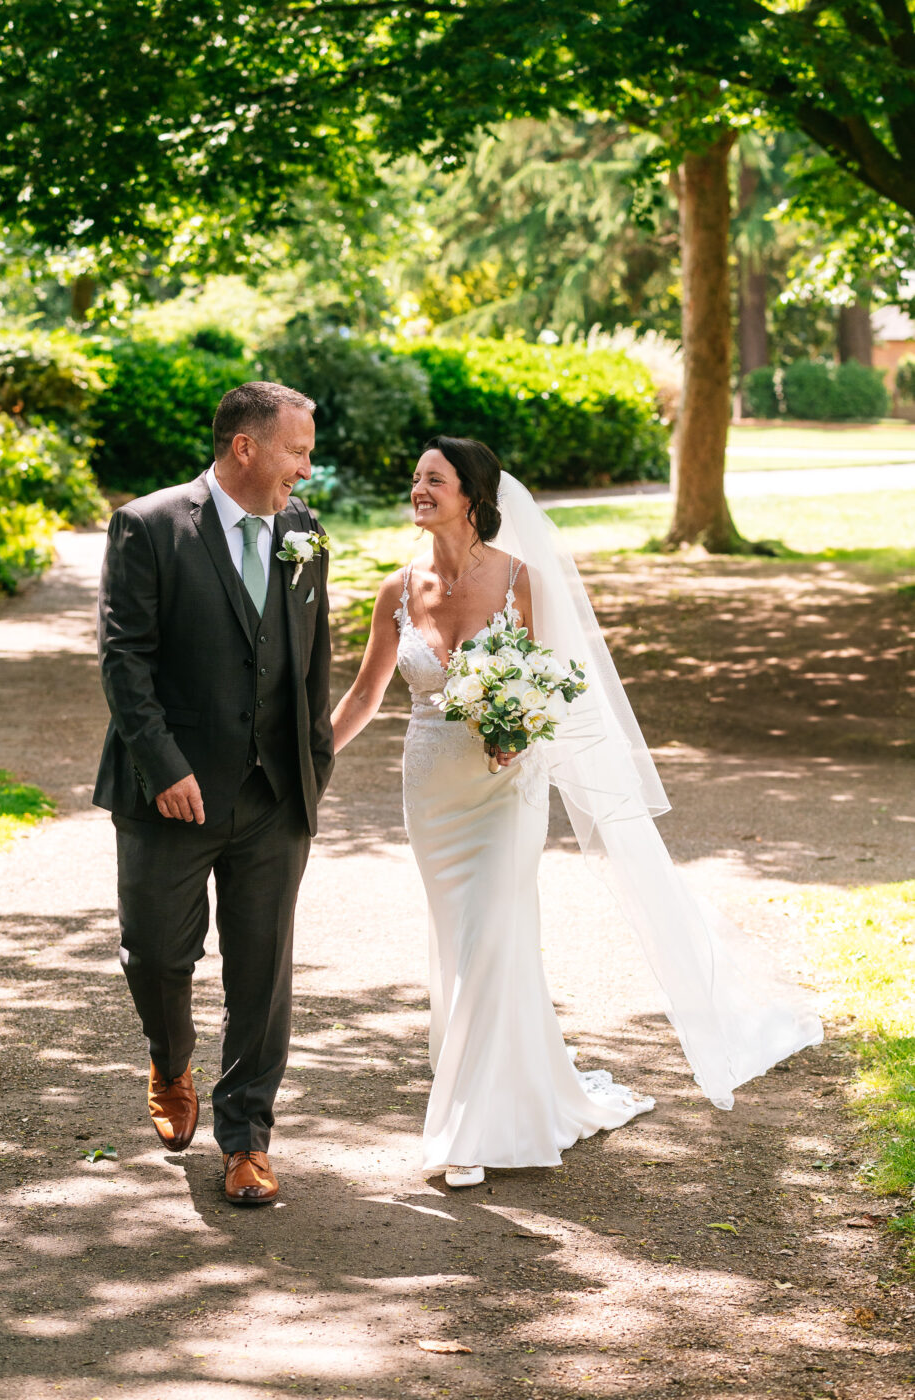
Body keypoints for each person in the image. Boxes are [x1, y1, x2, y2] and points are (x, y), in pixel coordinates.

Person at [331, 436, 822, 1188]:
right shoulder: (396, 590)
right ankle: (509, 1088)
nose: (418, 489)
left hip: (505, 791)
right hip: (432, 790)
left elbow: (559, 686)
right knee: (462, 942)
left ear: (472, 494)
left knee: (493, 935)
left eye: (435, 478)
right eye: (416, 479)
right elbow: (367, 693)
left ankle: (465, 1132)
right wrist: (314, 754)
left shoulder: (522, 580)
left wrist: (515, 733)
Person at [94, 381, 334, 1206]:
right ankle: (169, 1057)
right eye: (297, 451)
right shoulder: (149, 525)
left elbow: (312, 662)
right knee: (156, 955)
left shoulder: (303, 533)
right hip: (172, 794)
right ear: (247, 448)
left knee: (262, 974)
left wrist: (314, 765)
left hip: (274, 796)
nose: (306, 467)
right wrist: (163, 768)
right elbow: (124, 662)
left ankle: (246, 1140)